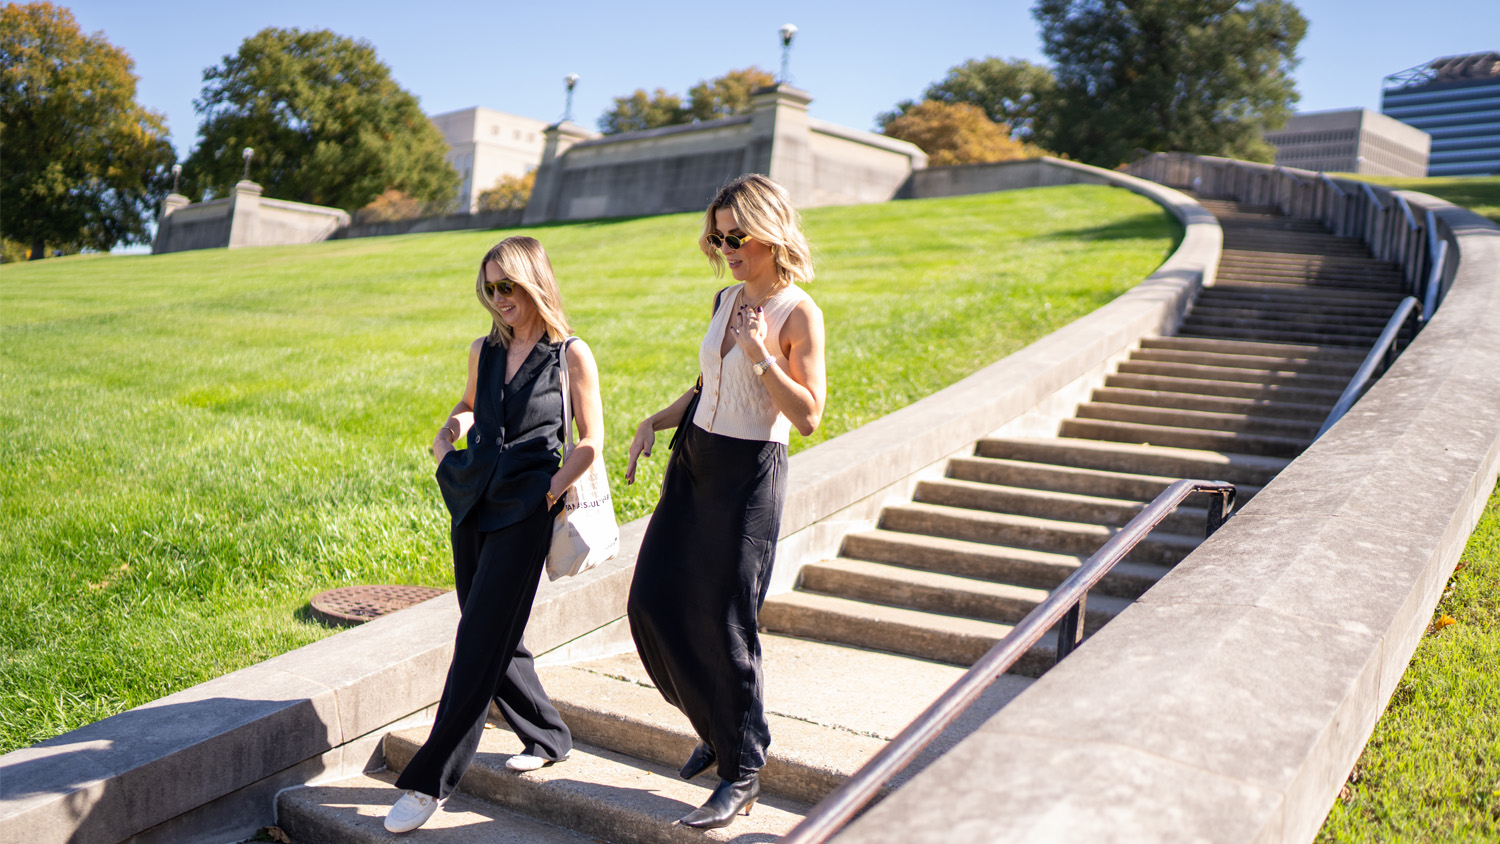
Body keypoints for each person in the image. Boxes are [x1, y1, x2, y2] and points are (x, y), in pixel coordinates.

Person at [624, 173, 826, 830]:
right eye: (718, 238)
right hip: (693, 462)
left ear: (769, 231)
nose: (727, 247)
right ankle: (717, 727)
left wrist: (765, 357)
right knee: (650, 603)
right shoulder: (724, 297)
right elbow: (710, 378)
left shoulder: (798, 312)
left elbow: (809, 416)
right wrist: (657, 419)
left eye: (736, 236)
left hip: (747, 476)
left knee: (727, 624)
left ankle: (741, 773)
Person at [384, 236, 604, 834]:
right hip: (471, 500)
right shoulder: (483, 348)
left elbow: (590, 441)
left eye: (507, 286)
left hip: (526, 510)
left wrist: (550, 490)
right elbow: (468, 406)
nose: (498, 298)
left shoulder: (570, 354)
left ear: (534, 282)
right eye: (489, 288)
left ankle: (430, 783)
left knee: (478, 639)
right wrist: (445, 438)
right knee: (489, 626)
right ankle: (548, 733)